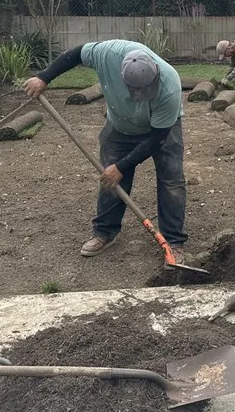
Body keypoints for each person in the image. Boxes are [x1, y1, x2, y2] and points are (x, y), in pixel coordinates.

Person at [24, 40, 187, 266]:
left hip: (160, 129)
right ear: (121, 75)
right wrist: (44, 77)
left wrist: (122, 166)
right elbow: (76, 53)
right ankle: (104, 232)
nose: (142, 95)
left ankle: (173, 241)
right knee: (109, 180)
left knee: (172, 181)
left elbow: (157, 138)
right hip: (119, 126)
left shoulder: (170, 84)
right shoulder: (107, 54)